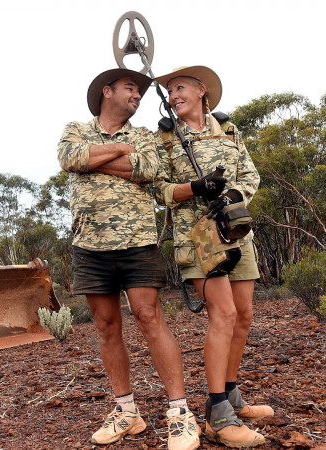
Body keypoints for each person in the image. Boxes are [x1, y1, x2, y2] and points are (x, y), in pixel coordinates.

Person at [57, 68, 201, 450]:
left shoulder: (144, 136)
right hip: (89, 245)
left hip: (137, 241)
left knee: (149, 317)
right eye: (130, 88)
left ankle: (180, 413)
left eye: (139, 90)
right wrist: (120, 152)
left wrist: (94, 160)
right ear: (108, 92)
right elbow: (70, 157)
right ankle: (126, 412)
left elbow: (150, 170)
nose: (138, 95)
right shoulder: (76, 129)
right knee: (105, 325)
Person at [153, 65, 274, 448]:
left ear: (202, 90)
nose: (173, 95)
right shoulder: (168, 138)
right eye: (170, 91)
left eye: (180, 87)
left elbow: (250, 175)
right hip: (197, 237)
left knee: (243, 315)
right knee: (223, 315)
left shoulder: (230, 131)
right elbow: (159, 190)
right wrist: (195, 187)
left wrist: (231, 196)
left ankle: (233, 395)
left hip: (236, 231)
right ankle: (218, 414)